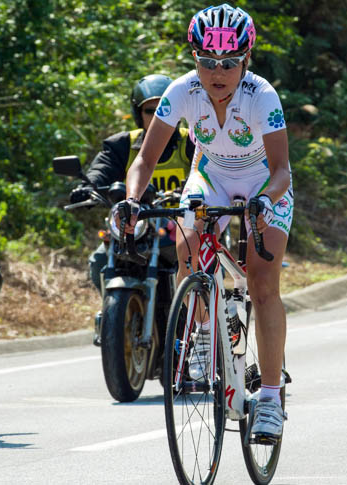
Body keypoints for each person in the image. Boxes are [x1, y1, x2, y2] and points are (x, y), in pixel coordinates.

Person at [115, 4, 294, 440]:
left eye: (230, 63)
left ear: (245, 60)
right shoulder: (182, 91)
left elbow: (282, 171)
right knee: (187, 247)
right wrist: (131, 201)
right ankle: (199, 334)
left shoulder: (262, 96)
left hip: (261, 181)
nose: (218, 72)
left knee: (262, 283)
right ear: (194, 58)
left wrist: (265, 202)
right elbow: (144, 160)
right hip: (210, 175)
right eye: (207, 61)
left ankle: (269, 399)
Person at [69, 74, 194, 293]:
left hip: (182, 227)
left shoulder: (192, 141)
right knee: (99, 259)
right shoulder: (122, 145)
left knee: (201, 261)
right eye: (150, 111)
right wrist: (88, 188)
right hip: (136, 225)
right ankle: (115, 317)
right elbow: (102, 169)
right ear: (138, 114)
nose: (159, 116)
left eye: (165, 109)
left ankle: (205, 319)